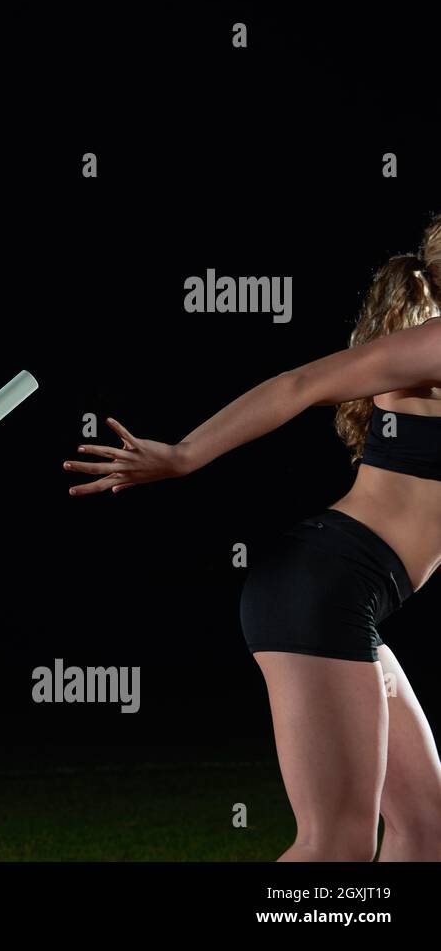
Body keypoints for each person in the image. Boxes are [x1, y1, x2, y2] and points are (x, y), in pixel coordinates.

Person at [64, 216, 441, 861]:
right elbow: (300, 383)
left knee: (426, 827)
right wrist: (182, 456)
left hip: (350, 596)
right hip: (325, 584)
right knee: (336, 845)